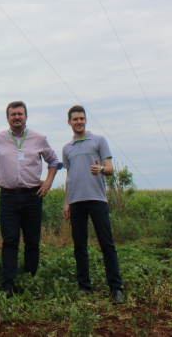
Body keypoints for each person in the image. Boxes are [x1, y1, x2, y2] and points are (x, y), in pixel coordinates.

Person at [0, 100, 63, 296]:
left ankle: (29, 281)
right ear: (7, 118)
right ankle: (8, 284)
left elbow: (54, 161)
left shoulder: (39, 138)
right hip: (8, 197)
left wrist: (48, 181)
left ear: (26, 117)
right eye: (13, 115)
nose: (17, 117)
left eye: (20, 114)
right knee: (10, 240)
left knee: (32, 241)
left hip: (33, 195)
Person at [62, 105, 125, 304]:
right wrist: (67, 202)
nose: (79, 122)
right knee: (79, 246)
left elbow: (110, 169)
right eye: (75, 119)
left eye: (82, 118)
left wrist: (101, 169)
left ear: (85, 120)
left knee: (107, 244)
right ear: (69, 122)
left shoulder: (99, 140)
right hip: (76, 201)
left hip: (97, 200)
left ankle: (116, 288)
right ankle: (84, 287)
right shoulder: (67, 148)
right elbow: (69, 176)